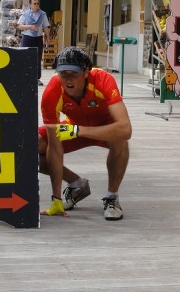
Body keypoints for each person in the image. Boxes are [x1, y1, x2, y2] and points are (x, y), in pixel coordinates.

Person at [38, 46, 132, 220]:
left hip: (104, 128)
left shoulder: (103, 79)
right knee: (32, 146)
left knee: (120, 140)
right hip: (74, 128)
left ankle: (112, 197)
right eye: (62, 74)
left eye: (73, 74)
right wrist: (56, 198)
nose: (67, 79)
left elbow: (126, 129)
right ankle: (76, 185)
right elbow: (54, 147)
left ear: (87, 72)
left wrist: (79, 130)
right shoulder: (52, 90)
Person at [13, 0, 51, 85]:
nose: (36, 5)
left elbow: (46, 26)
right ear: (30, 4)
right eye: (35, 3)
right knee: (25, 57)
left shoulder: (43, 14)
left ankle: (36, 78)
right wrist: (30, 27)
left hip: (38, 38)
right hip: (27, 37)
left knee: (37, 58)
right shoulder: (25, 14)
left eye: (38, 3)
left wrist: (48, 38)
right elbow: (19, 26)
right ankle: (25, 76)